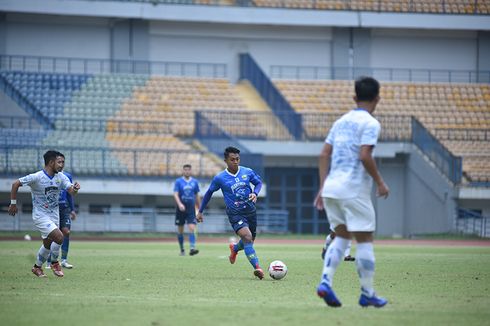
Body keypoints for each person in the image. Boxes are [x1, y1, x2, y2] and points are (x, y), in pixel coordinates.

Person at [314, 76, 389, 308]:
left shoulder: (340, 121)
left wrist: (322, 187)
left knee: (342, 236)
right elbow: (365, 155)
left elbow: (324, 154)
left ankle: (325, 281)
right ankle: (367, 292)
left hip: (332, 188)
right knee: (365, 240)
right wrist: (380, 182)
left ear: (354, 97)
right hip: (353, 188)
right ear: (377, 98)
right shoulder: (371, 123)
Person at [8, 150, 80, 278]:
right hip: (40, 215)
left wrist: (75, 189)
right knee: (59, 237)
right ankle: (54, 262)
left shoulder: (61, 177)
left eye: (63, 162)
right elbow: (15, 184)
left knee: (47, 244)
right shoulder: (37, 177)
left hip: (54, 214)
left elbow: (71, 192)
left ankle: (37, 267)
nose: (62, 165)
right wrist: (13, 203)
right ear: (51, 162)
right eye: (59, 162)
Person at [197, 146, 264, 279]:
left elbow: (258, 183)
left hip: (250, 210)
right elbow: (209, 193)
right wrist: (200, 211)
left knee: (249, 240)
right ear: (226, 161)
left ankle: (234, 249)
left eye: (237, 159)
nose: (235, 162)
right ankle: (258, 268)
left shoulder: (247, 171)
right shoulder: (220, 178)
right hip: (235, 213)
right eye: (232, 159)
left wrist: (255, 193)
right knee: (247, 237)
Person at [47, 167, 77, 269]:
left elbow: (70, 195)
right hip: (52, 209)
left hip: (64, 209)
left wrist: (72, 209)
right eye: (58, 162)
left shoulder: (67, 176)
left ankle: (64, 260)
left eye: (62, 162)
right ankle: (49, 260)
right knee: (53, 234)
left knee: (66, 232)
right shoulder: (48, 176)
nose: (60, 164)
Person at [173, 164, 201, 256]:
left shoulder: (195, 182)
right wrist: (180, 204)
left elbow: (197, 195)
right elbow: (175, 194)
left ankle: (192, 248)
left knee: (192, 228)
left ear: (191, 171)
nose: (187, 171)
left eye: (188, 170)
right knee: (180, 230)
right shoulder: (178, 181)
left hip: (190, 209)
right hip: (180, 209)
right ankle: (182, 250)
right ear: (183, 171)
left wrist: (200, 208)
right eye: (185, 170)